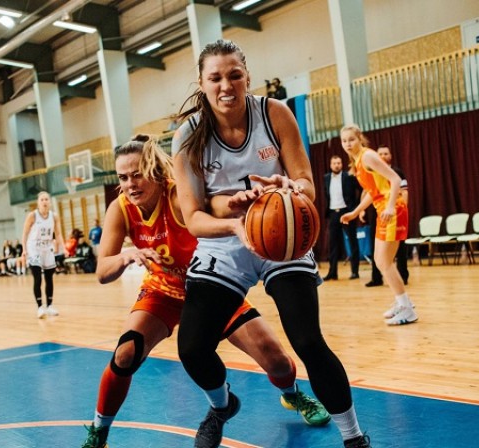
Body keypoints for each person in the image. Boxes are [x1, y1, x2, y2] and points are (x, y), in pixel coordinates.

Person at [172, 40, 370, 448]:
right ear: (201, 82)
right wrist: (234, 222)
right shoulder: (188, 136)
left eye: (234, 75)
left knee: (308, 341)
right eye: (215, 77)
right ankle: (222, 405)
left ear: (247, 74)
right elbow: (194, 218)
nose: (226, 85)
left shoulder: (274, 113)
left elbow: (307, 184)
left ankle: (354, 438)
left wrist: (288, 188)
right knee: (192, 348)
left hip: (283, 236)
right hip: (227, 241)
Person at [81, 136, 330, 448]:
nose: (130, 184)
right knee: (125, 353)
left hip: (210, 285)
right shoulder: (120, 209)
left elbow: (214, 212)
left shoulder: (178, 197)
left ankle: (292, 395)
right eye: (123, 178)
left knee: (277, 360)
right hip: (163, 292)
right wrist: (125, 256)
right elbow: (103, 271)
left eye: (137, 174)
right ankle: (98, 432)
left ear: (154, 171)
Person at [339, 125, 417, 327]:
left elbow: (395, 179)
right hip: (383, 209)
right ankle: (403, 302)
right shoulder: (357, 162)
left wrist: (390, 206)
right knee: (380, 260)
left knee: (384, 261)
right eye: (344, 141)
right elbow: (373, 192)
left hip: (393, 210)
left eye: (351, 139)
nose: (348, 144)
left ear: (359, 139)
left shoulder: (367, 156)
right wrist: (356, 212)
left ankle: (407, 309)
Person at [364, 146, 409, 285]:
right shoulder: (371, 170)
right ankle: (376, 278)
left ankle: (403, 276)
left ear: (390, 155)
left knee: (399, 247)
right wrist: (360, 210)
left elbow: (404, 191)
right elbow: (368, 192)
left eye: (385, 153)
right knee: (376, 248)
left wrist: (402, 208)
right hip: (378, 212)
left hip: (394, 211)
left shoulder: (397, 172)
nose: (383, 155)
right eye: (380, 154)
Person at [21, 191, 66, 318]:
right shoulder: (32, 216)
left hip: (47, 248)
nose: (45, 202)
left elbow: (58, 234)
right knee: (38, 278)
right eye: (42, 200)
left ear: (50, 202)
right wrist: (24, 249)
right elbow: (24, 233)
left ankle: (50, 305)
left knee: (49, 278)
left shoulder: (54, 216)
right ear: (38, 202)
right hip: (34, 248)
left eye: (47, 199)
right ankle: (40, 307)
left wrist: (64, 248)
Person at [323, 155, 360, 280]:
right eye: (334, 163)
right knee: (333, 244)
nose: (337, 165)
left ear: (341, 164)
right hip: (333, 213)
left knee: (352, 242)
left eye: (339, 163)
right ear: (330, 165)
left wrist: (356, 208)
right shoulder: (326, 178)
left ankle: (355, 271)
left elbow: (360, 190)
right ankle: (332, 272)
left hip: (347, 212)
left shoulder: (349, 176)